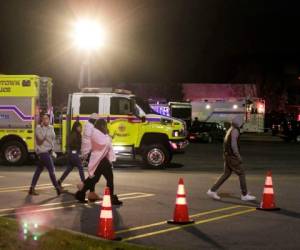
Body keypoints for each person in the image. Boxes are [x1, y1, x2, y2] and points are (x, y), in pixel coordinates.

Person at [207, 116, 256, 201]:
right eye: (242, 122)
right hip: (232, 156)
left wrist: (226, 155)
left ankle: (212, 190)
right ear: (238, 123)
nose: (243, 124)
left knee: (226, 174)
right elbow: (234, 145)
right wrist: (238, 156)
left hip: (227, 155)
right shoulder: (235, 131)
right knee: (241, 173)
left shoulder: (230, 129)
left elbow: (226, 143)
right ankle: (244, 195)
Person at [75, 119, 122, 205]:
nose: (106, 128)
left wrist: (108, 135)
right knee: (109, 178)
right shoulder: (96, 133)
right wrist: (108, 136)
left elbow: (105, 143)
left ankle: (81, 193)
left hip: (99, 160)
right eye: (105, 126)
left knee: (94, 179)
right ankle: (111, 198)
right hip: (101, 160)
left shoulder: (97, 133)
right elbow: (105, 143)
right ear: (102, 126)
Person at [29, 114, 61, 196]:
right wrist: (44, 129)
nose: (46, 120)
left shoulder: (51, 127)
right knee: (52, 170)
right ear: (42, 120)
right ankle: (57, 187)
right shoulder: (38, 128)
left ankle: (31, 188)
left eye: (47, 118)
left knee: (38, 171)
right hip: (42, 152)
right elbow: (40, 141)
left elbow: (52, 138)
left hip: (49, 151)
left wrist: (52, 148)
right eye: (44, 118)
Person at [57, 122, 85, 187]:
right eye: (79, 127)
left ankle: (60, 181)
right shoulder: (74, 135)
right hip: (73, 153)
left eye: (81, 127)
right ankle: (84, 182)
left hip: (71, 153)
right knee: (80, 167)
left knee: (69, 168)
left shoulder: (75, 134)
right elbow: (73, 144)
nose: (81, 128)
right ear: (76, 127)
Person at [81, 113, 101, 201]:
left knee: (93, 174)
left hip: (87, 152)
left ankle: (91, 193)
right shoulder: (91, 128)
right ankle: (83, 187)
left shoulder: (87, 126)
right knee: (94, 175)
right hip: (90, 153)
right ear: (94, 120)